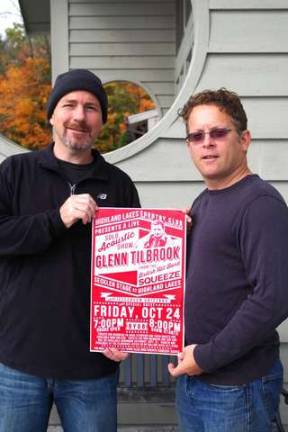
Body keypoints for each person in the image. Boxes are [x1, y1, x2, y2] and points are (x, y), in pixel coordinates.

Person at [0, 68, 140, 432]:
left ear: (101, 122)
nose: (80, 115)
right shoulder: (15, 172)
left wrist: (125, 330)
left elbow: (135, 271)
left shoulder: (119, 185)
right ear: (51, 114)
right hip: (18, 361)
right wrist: (56, 219)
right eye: (70, 104)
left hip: (91, 368)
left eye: (92, 107)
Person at [168, 88, 288, 432]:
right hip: (194, 378)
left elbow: (273, 297)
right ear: (189, 145)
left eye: (218, 132)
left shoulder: (259, 203)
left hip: (236, 387)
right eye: (196, 135)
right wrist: (174, 237)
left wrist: (205, 358)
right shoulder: (204, 202)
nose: (207, 142)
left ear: (244, 139)